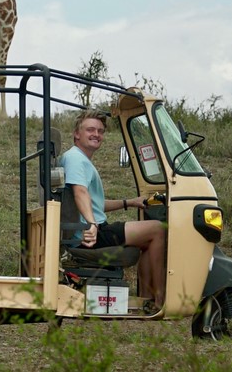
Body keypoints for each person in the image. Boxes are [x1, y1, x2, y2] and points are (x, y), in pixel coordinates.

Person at [59, 109, 166, 309]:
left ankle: (146, 299)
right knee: (157, 229)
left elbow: (94, 203)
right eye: (90, 129)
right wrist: (91, 224)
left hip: (92, 228)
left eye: (100, 131)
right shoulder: (75, 159)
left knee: (147, 238)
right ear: (76, 134)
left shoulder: (82, 160)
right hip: (91, 235)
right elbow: (80, 193)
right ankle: (160, 300)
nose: (96, 135)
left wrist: (129, 202)